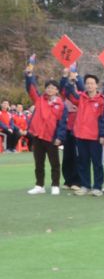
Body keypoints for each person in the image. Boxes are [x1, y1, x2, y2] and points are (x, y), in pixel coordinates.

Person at [24, 66, 67, 195]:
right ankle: (39, 185)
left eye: (53, 88)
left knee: (55, 163)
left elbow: (62, 123)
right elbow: (31, 89)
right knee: (39, 163)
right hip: (37, 136)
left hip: (51, 137)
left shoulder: (61, 104)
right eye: (48, 87)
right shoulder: (39, 99)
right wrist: (29, 76)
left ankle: (55, 185)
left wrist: (59, 137)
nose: (50, 89)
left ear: (57, 90)